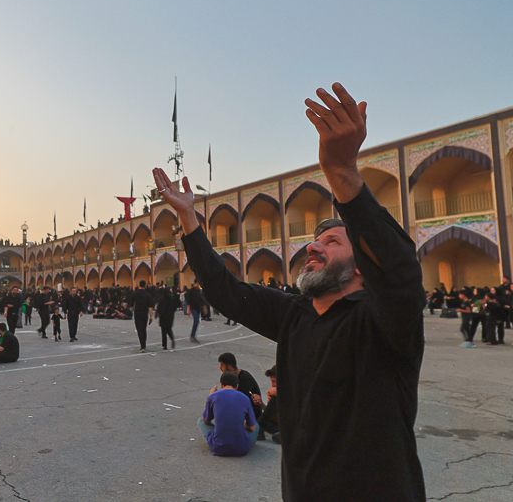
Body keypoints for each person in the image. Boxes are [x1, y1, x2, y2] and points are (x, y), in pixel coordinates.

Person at [154, 83, 427, 500]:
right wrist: (190, 219)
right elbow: (225, 291)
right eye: (314, 241)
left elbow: (400, 272)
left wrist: (342, 172)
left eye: (332, 242)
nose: (313, 247)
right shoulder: (295, 315)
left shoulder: (383, 323)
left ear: (363, 266)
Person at [197, 371, 257, 457]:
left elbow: (205, 421)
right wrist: (241, 425)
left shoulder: (213, 396)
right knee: (256, 425)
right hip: (241, 449)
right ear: (237, 386)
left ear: (221, 385)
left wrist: (210, 397)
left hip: (218, 448)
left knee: (200, 421)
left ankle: (218, 438)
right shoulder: (245, 398)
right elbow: (252, 427)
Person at [218, 352, 263, 419]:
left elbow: (239, 401)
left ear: (229, 367)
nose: (220, 368)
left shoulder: (245, 378)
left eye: (222, 365)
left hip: (252, 416)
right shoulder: (229, 378)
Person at [131, 280, 153, 353]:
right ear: (145, 285)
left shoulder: (135, 294)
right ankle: (144, 344)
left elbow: (131, 305)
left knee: (139, 329)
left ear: (139, 285)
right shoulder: (147, 294)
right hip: (144, 313)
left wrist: (134, 310)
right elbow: (150, 306)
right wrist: (151, 316)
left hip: (138, 313)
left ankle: (142, 345)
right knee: (144, 329)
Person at [156, 284, 176, 350]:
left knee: (163, 331)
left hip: (163, 316)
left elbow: (159, 308)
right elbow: (175, 308)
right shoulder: (172, 299)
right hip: (170, 316)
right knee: (169, 329)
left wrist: (157, 313)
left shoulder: (162, 300)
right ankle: (172, 338)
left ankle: (164, 345)